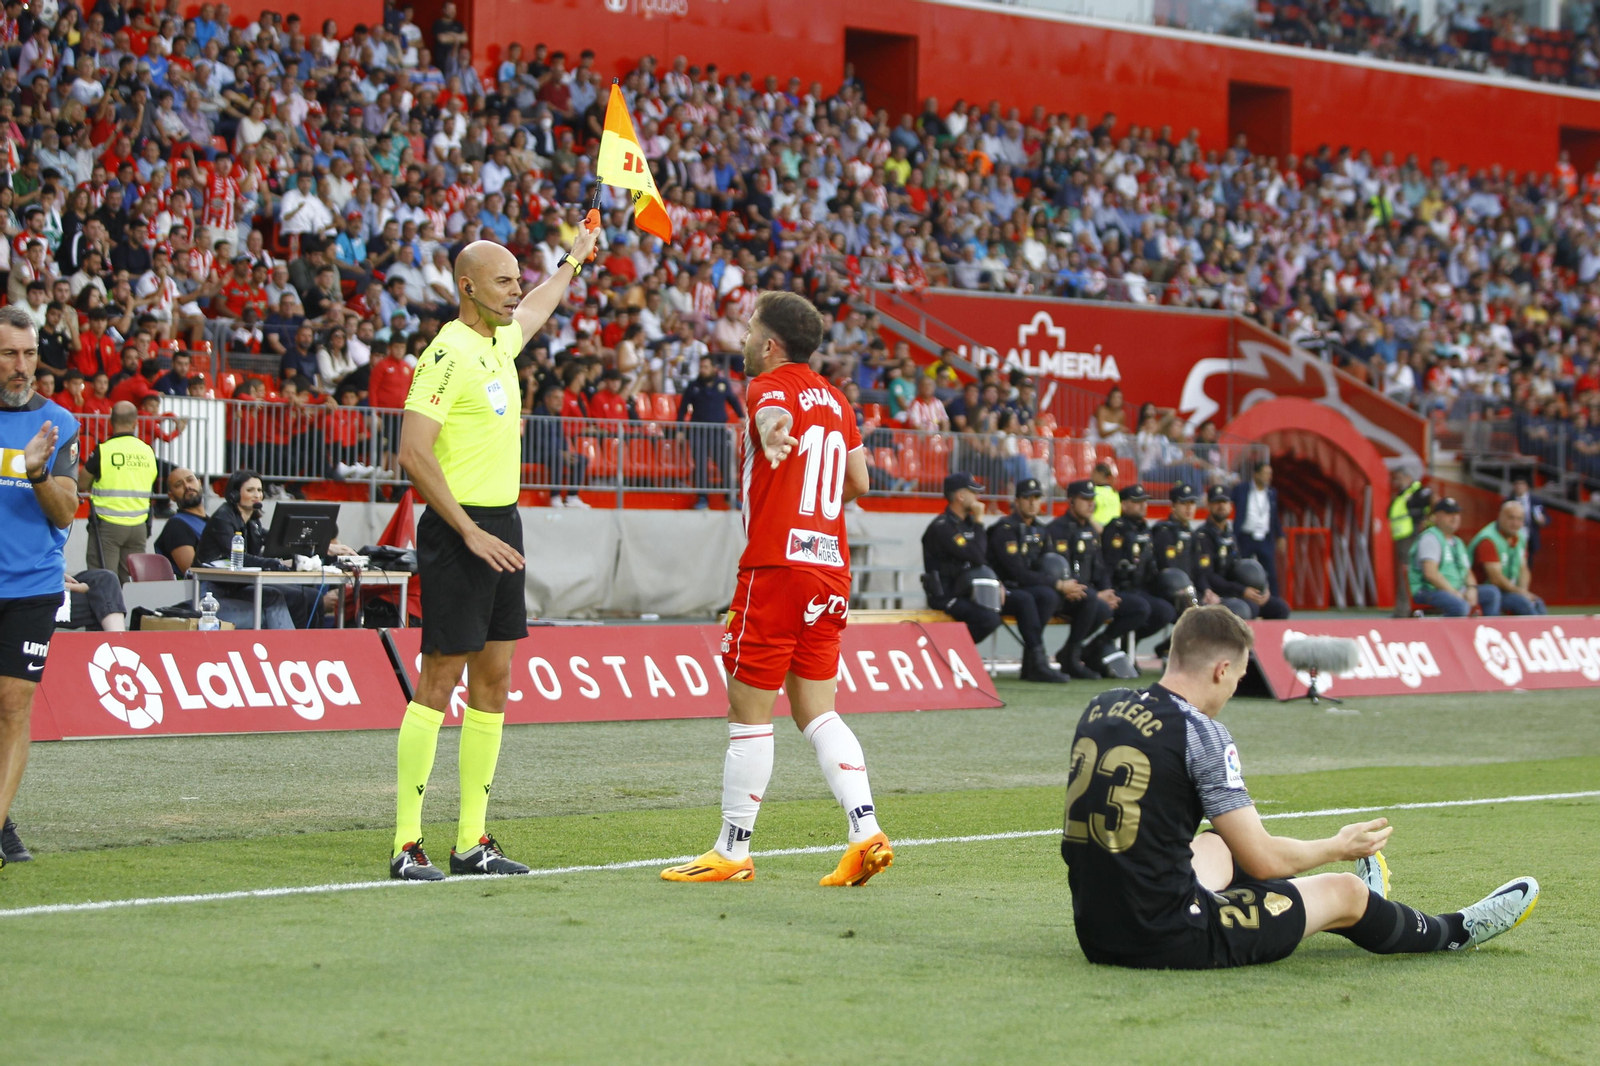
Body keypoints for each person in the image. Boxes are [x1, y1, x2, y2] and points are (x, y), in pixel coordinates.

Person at [1061, 605, 1540, 969]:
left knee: (1216, 843)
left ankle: (1330, 905)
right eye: (1238, 679)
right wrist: (1338, 846)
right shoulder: (1202, 732)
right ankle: (1453, 931)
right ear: (1221, 670)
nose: (1230, 694)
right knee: (1345, 891)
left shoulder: (1103, 705)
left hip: (1095, 927)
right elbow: (1265, 860)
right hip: (1167, 934)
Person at [390, 226, 598, 882]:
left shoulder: (500, 338)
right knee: (438, 681)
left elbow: (540, 305)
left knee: (495, 679)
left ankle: (471, 842)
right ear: (468, 287)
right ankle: (405, 846)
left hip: (502, 525)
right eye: (503, 281)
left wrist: (572, 259)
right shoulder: (446, 354)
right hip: (461, 532)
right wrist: (469, 532)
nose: (515, 292)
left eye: (516, 280)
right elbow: (413, 452)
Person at [662, 290, 889, 887]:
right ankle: (865, 831)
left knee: (748, 712)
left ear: (769, 344)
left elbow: (770, 416)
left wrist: (774, 434)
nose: (741, 343)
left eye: (748, 333)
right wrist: (811, 509)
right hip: (829, 567)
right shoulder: (838, 400)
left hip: (776, 568)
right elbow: (861, 480)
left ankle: (733, 850)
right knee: (817, 710)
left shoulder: (768, 387)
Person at [0, 304, 82, 868]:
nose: (20, 366)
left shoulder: (58, 423)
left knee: (12, 706)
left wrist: (36, 472)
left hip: (31, 587)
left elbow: (65, 513)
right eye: (9, 353)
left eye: (28, 354)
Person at [921, 472, 1069, 684]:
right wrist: (980, 521)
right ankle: (943, 657)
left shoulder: (969, 524)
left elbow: (983, 560)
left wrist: (997, 582)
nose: (978, 498)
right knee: (989, 619)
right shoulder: (942, 527)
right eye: (974, 492)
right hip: (949, 594)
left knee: (1028, 599)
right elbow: (977, 555)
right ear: (961, 496)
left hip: (977, 590)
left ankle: (1036, 662)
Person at [990, 477, 1109, 679]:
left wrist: (1067, 585)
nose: (1032, 502)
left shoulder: (1041, 530)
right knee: (1046, 596)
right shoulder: (1005, 530)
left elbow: (1053, 563)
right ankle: (1035, 661)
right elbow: (1016, 572)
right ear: (1017, 501)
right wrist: (1058, 584)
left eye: (1037, 498)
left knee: (1090, 599)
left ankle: (1071, 654)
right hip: (1010, 589)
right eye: (1027, 498)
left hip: (1039, 587)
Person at [196, 470, 328, 630]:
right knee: (277, 597)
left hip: (239, 585)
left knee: (310, 596)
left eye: (259, 490)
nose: (257, 495)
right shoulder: (222, 518)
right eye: (250, 490)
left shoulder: (253, 522)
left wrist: (324, 546)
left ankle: (310, 645)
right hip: (215, 590)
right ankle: (292, 648)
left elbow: (279, 541)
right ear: (235, 494)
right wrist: (275, 564)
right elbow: (240, 558)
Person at [1045, 479, 1149, 675]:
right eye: (1085, 499)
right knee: (1096, 604)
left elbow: (1100, 568)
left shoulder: (1091, 531)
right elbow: (1063, 571)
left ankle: (1095, 647)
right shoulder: (1057, 529)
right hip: (1068, 593)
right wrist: (1096, 594)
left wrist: (1107, 591)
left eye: (1092, 499)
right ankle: (1072, 653)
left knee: (1139, 607)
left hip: (1092, 594)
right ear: (1071, 501)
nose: (1090, 503)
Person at [77, 399, 158, 584]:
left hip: (108, 526)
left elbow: (82, 483)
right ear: (135, 422)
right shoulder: (148, 451)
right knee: (131, 580)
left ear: (111, 422)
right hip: (139, 526)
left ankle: (106, 614)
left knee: (103, 580)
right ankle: (130, 613)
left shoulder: (104, 451)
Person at [1197, 485, 1289, 619]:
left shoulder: (1230, 535)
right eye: (1217, 502)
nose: (1221, 506)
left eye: (1225, 502)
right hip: (1219, 593)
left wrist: (1262, 589)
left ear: (1231, 505)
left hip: (1237, 591)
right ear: (1209, 506)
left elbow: (1241, 568)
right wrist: (1242, 591)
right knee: (1249, 609)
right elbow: (1209, 576)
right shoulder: (1203, 536)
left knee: (1280, 608)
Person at [1102, 484, 1176, 645]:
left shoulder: (1144, 529)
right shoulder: (1116, 529)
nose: (1143, 505)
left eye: (1145, 501)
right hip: (1120, 588)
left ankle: (1131, 644)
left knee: (1166, 611)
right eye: (1137, 501)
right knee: (1142, 607)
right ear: (1124, 505)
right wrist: (1108, 590)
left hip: (1141, 588)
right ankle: (1104, 643)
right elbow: (1108, 565)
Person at [677, 354, 743, 510]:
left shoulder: (723, 384)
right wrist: (680, 429)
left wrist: (741, 416)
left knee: (724, 464)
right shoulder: (693, 385)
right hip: (698, 431)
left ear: (714, 368)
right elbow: (682, 408)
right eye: (701, 367)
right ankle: (702, 499)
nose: (703, 370)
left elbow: (733, 400)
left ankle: (731, 497)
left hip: (719, 430)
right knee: (700, 464)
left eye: (706, 367)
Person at [1468, 501, 1546, 616]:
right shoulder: (1488, 540)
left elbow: (1523, 569)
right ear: (1500, 516)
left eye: (1519, 519)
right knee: (1523, 603)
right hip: (1484, 591)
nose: (1515, 523)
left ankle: (1539, 632)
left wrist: (1523, 591)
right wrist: (1520, 593)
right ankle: (1536, 632)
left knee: (1538, 603)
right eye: (1511, 518)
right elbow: (1496, 579)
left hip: (1506, 590)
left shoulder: (1520, 537)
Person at [1408, 498, 1478, 617]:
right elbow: (1431, 574)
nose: (1455, 517)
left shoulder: (1458, 542)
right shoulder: (1431, 538)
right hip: (1429, 590)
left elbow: (1467, 571)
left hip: (1455, 589)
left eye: (1457, 513)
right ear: (1436, 517)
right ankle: (1437, 634)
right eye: (1449, 514)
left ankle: (1485, 633)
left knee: (1491, 594)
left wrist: (1472, 588)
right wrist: (1454, 592)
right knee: (1459, 606)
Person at [1230, 460, 1285, 598]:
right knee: (1242, 570)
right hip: (1245, 536)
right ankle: (1241, 599)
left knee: (1271, 572)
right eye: (1266, 473)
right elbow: (1227, 500)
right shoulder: (1241, 489)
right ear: (1256, 474)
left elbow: (1274, 516)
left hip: (1265, 537)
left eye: (1270, 474)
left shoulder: (1272, 493)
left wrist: (1280, 535)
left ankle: (1274, 601)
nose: (1269, 477)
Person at [1387, 463, 1430, 617]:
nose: (1396, 483)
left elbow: (1428, 507)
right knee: (1407, 573)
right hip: (1403, 537)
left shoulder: (1417, 492)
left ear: (1408, 477)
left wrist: (1421, 521)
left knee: (1407, 573)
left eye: (1398, 479)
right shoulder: (1404, 493)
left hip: (1411, 536)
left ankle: (1404, 609)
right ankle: (1407, 608)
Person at [153, 466, 208, 577]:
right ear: (171, 496)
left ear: (199, 483)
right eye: (179, 485)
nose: (187, 486)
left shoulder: (212, 522)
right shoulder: (177, 526)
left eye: (190, 480)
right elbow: (193, 573)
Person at [58, 569, 129, 632]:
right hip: (50, 595)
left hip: (58, 583)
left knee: (106, 577)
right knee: (102, 601)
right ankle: (117, 641)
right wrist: (79, 587)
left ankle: (118, 639)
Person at [1506, 477, 1548, 561]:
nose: (1519, 487)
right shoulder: (1508, 501)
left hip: (1530, 536)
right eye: (1517, 484)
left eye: (1521, 484)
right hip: (1514, 535)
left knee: (1528, 561)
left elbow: (1546, 518)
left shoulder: (1535, 500)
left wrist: (1543, 520)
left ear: (1526, 486)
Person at [1089, 461, 1119, 530]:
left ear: (1100, 474)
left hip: (1097, 529)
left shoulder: (1093, 491)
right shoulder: (1115, 493)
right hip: (1115, 530)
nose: (1091, 475)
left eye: (1093, 473)